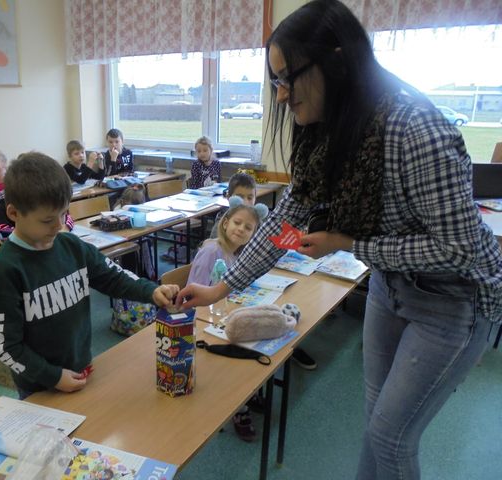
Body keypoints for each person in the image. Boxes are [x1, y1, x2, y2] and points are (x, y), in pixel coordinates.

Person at [177, 1, 502, 478]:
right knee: (376, 422)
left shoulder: (414, 129)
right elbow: (284, 221)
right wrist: (222, 289)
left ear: (334, 59)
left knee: (392, 436)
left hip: (454, 298)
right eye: (275, 83)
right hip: (392, 288)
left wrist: (349, 244)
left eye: (288, 78)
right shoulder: (326, 130)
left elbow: (458, 249)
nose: (282, 96)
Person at [0, 152, 179, 399]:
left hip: (82, 369)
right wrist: (52, 376)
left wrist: (150, 290)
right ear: (13, 214)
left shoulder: (71, 246)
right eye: (46, 220)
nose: (58, 225)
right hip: (39, 385)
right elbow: (3, 345)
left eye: (64, 214)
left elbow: (112, 277)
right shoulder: (5, 269)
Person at [209, 173, 317, 370]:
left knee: (280, 304)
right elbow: (207, 284)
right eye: (240, 197)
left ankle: (287, 345)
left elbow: (264, 251)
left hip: (246, 289)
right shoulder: (218, 240)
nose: (246, 202)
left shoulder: (257, 226)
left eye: (250, 197)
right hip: (226, 300)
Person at [187, 202, 265, 441]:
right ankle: (239, 407)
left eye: (248, 227)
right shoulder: (212, 251)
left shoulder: (236, 254)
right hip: (204, 323)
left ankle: (249, 392)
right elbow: (193, 296)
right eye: (237, 223)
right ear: (225, 223)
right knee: (244, 345)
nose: (241, 229)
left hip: (223, 316)